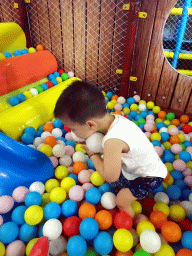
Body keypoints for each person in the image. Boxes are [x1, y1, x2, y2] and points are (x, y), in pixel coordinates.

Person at [54, 81, 168, 218]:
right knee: (116, 185)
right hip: (136, 168)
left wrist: (92, 154)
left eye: (73, 129)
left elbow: (110, 176)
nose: (72, 133)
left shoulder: (112, 141)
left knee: (120, 199)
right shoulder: (114, 119)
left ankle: (132, 227)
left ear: (91, 125)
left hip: (149, 177)